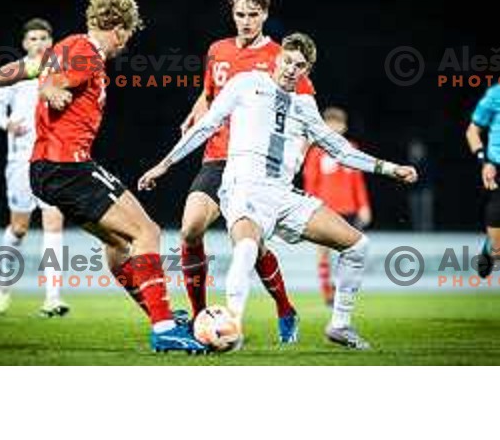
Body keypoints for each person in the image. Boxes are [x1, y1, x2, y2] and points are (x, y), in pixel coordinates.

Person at [139, 32, 418, 350]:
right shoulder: (245, 83)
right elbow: (207, 124)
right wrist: (165, 164)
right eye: (286, 60)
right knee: (245, 249)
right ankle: (233, 327)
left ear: (307, 70)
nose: (290, 68)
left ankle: (340, 325)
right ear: (277, 57)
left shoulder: (305, 104)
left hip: (282, 195)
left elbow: (339, 149)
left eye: (299, 65)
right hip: (242, 186)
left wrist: (389, 168)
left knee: (357, 246)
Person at [0, 0, 206, 353]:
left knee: (117, 243)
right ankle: (163, 327)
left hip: (46, 169)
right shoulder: (87, 53)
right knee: (147, 231)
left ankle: (160, 315)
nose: (127, 41)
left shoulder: (64, 45)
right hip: (68, 164)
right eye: (128, 32)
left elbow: (29, 69)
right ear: (118, 27)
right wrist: (51, 90)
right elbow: (51, 80)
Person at [177, 0, 315, 343]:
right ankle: (200, 318)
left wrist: (298, 152)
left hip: (256, 166)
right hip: (218, 157)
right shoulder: (217, 49)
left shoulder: (280, 57)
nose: (246, 21)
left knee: (250, 247)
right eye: (240, 14)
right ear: (232, 12)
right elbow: (209, 96)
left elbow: (305, 113)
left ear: (265, 15)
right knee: (190, 228)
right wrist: (194, 115)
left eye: (254, 15)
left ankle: (285, 308)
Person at [0, 18, 68, 317]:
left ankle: (52, 298)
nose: (39, 43)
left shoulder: (58, 72)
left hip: (50, 156)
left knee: (54, 221)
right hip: (20, 159)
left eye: (44, 38)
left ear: (51, 41)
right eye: (33, 38)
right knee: (20, 228)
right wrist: (7, 123)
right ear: (25, 43)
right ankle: (3, 282)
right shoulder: (14, 72)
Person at [303, 107, 371, 306]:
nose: (334, 126)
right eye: (330, 123)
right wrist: (310, 206)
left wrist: (364, 206)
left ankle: (343, 291)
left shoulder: (352, 148)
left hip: (348, 208)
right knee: (322, 251)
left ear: (344, 126)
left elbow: (358, 180)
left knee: (348, 253)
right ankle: (327, 293)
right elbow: (310, 182)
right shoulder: (316, 151)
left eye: (338, 123)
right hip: (324, 208)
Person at [466, 85, 500, 277]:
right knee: (498, 250)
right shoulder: (495, 95)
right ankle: (490, 249)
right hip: (497, 171)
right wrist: (484, 162)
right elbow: (472, 132)